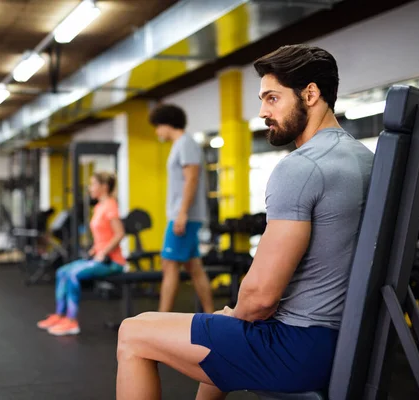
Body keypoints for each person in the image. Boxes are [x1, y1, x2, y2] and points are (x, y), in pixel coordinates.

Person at [115, 44, 375, 399]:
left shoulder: (301, 167)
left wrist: (235, 314)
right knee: (224, 329)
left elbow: (262, 297)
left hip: (297, 349)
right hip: (348, 341)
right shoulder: (364, 159)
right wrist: (235, 315)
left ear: (310, 94)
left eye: (272, 98)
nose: (263, 111)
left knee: (133, 331)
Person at [37, 172, 125, 336]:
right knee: (61, 271)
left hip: (112, 262)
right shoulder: (99, 206)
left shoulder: (111, 205)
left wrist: (103, 251)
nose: (90, 188)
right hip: (98, 258)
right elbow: (103, 235)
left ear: (104, 187)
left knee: (72, 274)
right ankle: (60, 315)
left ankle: (71, 321)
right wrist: (94, 249)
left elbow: (119, 233)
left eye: (93, 184)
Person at [148, 104, 214, 314]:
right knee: (194, 268)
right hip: (184, 215)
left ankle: (161, 319)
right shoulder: (180, 144)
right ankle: (212, 314)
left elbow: (192, 178)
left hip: (184, 215)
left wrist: (182, 213)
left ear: (166, 124)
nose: (157, 132)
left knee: (168, 264)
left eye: (157, 126)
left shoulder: (186, 143)